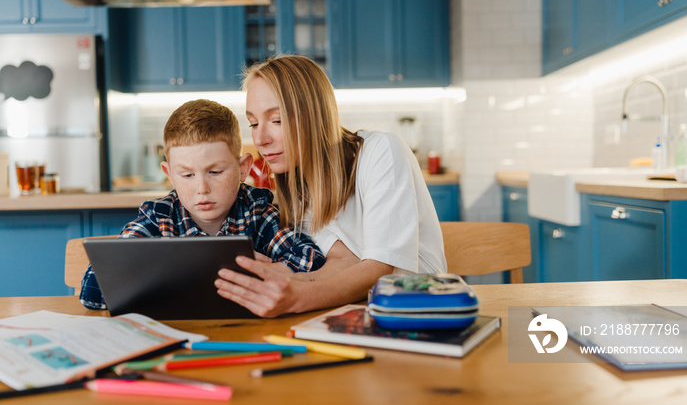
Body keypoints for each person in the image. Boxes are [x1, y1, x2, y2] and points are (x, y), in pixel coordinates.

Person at [214, 55, 447, 317]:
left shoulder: (380, 151)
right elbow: (341, 262)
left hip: (421, 313)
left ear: (315, 115)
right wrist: (278, 278)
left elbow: (380, 272)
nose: (260, 138)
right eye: (253, 123)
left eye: (276, 120)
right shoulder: (298, 186)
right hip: (362, 316)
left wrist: (297, 295)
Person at [79, 99, 325, 310]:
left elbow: (314, 264)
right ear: (169, 173)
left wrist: (273, 268)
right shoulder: (159, 218)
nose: (202, 188)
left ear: (243, 168)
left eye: (215, 171)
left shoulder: (257, 212)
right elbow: (93, 287)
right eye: (187, 175)